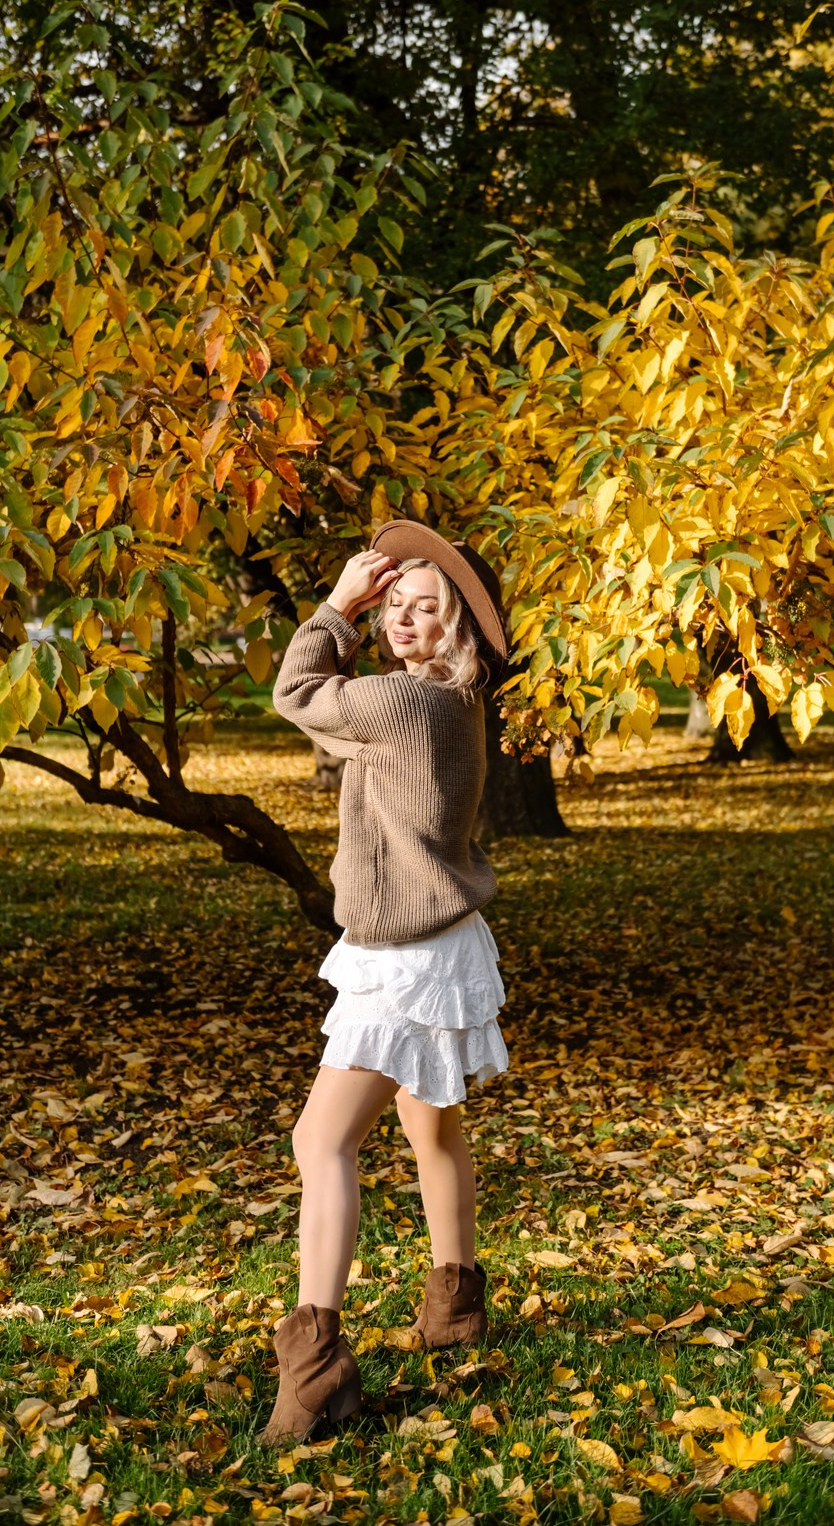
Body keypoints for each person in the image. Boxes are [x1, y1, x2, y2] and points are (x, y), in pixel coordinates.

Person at [258, 519, 511, 1448]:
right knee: (430, 1126)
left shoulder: (404, 704)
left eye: (424, 608)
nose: (402, 620)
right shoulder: (455, 702)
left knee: (319, 1140)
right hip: (440, 942)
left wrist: (338, 607)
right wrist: (363, 616)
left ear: (459, 627)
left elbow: (294, 692)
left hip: (406, 960)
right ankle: (455, 1307)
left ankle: (315, 1365)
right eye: (392, 606)